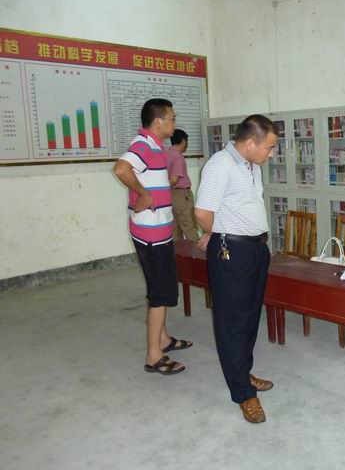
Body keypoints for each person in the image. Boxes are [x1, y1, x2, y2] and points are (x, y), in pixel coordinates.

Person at [194, 114, 277, 424]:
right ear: (250, 143)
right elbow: (202, 211)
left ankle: (242, 371)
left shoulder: (252, 165)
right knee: (232, 321)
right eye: (269, 147)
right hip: (232, 252)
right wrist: (217, 233)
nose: (272, 154)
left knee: (251, 315)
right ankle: (243, 393)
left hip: (256, 249)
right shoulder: (220, 165)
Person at [113, 98, 192, 376]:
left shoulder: (157, 147)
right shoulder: (143, 144)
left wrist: (146, 192)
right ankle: (154, 356)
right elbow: (121, 168)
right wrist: (144, 194)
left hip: (159, 231)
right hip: (150, 234)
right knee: (160, 293)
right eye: (172, 118)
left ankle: (163, 339)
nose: (174, 122)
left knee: (160, 288)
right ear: (158, 121)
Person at [166, 129, 199, 241]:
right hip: (181, 196)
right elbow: (174, 179)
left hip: (171, 195)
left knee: (175, 228)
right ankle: (197, 251)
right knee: (189, 226)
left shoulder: (166, 153)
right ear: (184, 141)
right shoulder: (178, 157)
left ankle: (177, 252)